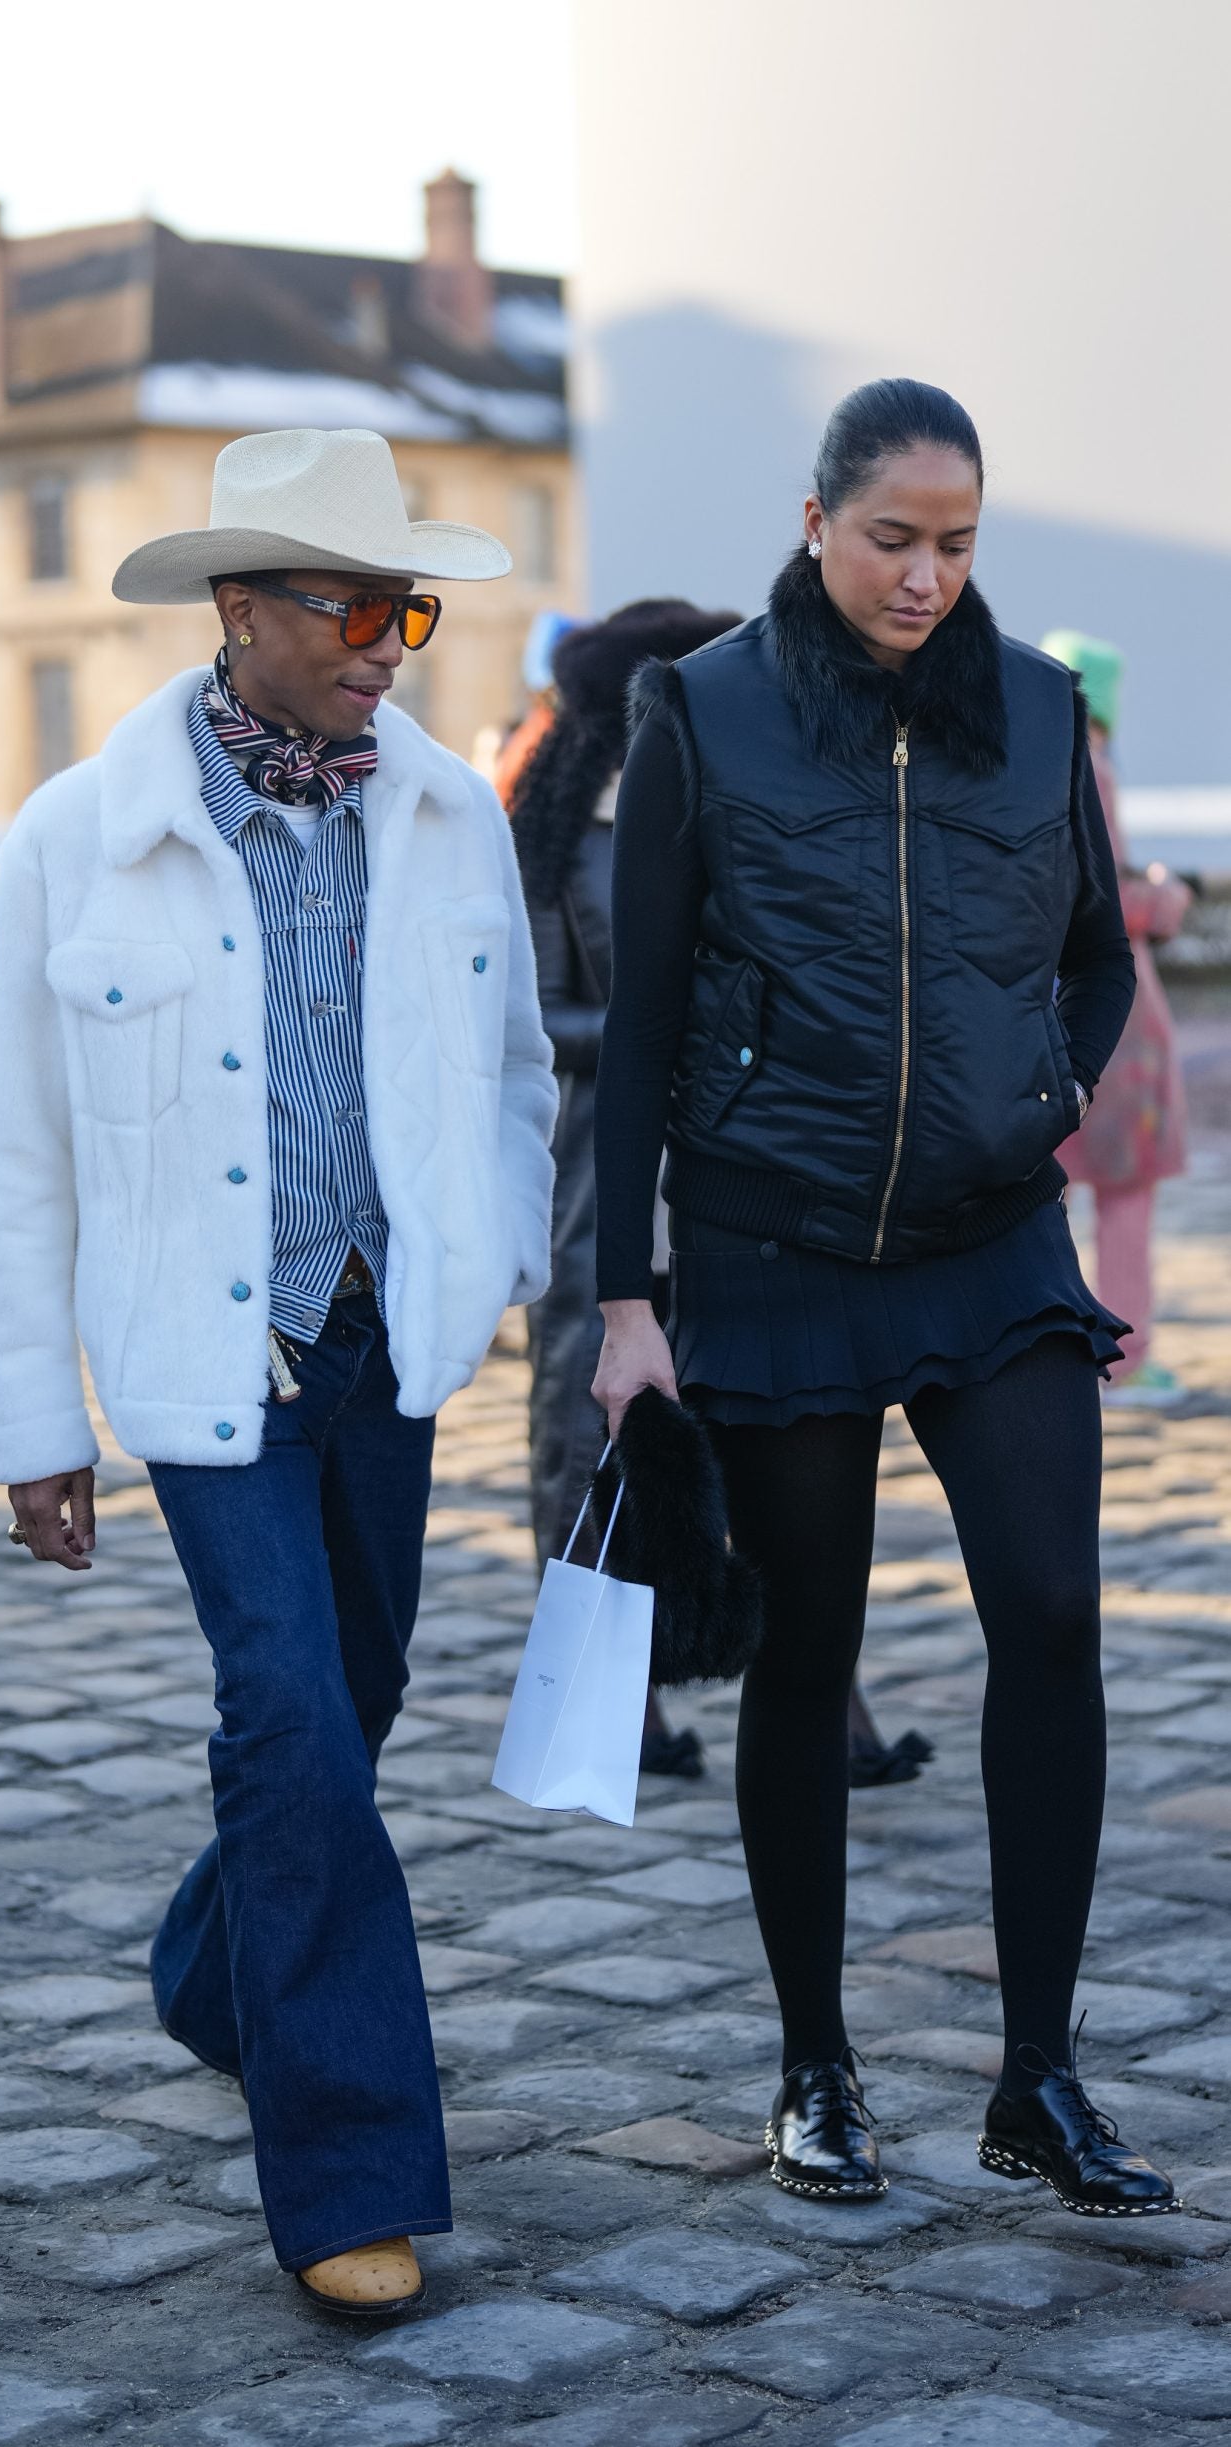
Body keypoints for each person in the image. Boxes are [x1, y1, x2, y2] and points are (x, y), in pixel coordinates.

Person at [0, 428, 556, 2313]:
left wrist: (504, 1264)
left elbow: (519, 1076)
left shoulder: (448, 813)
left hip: (382, 1342)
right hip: (203, 1350)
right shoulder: (78, 835)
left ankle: (218, 1976)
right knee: (289, 1714)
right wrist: (33, 1420)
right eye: (352, 606)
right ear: (240, 612)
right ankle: (351, 2176)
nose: (388, 643)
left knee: (352, 1702)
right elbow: (14, 1146)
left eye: (411, 609)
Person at [593, 379, 1178, 2218]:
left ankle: (1038, 2076)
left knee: (1057, 1617)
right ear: (815, 519)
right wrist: (629, 1301)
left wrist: (1050, 1094)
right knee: (807, 1655)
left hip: (992, 1238)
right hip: (773, 1245)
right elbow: (642, 1030)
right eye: (891, 542)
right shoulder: (703, 712)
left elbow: (1089, 961)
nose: (926, 578)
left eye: (957, 544)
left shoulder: (1031, 712)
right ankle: (814, 2067)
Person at [511, 599, 738, 1780]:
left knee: (770, 1437)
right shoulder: (553, 835)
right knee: (584, 1439)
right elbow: (532, 1022)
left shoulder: (738, 811)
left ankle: (829, 1713)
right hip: (601, 1176)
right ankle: (609, 1712)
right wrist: (661, 1028)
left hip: (740, 1176)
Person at [1042, 632, 1193, 1407]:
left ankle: (1054, 1345)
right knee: (1125, 1195)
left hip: (1044, 1009)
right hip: (1116, 1024)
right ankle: (1124, 1357)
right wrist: (1167, 897)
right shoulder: (1090, 766)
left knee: (1050, 1190)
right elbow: (1107, 900)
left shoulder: (1026, 754)